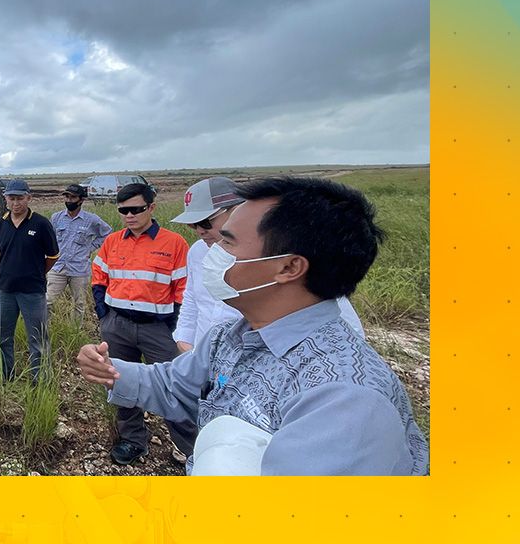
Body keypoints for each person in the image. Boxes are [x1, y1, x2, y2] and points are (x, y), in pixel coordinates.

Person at [77, 177, 428, 475]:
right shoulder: (232, 336)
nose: (212, 251)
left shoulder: (344, 401)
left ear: (289, 268)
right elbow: (173, 385)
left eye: (227, 242)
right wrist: (110, 371)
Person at [171, 177, 364, 353]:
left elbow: (337, 317)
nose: (199, 231)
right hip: (203, 359)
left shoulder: (272, 255)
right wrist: (184, 339)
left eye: (205, 222)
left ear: (238, 209)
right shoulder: (197, 252)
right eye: (192, 225)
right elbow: (192, 299)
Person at [91, 182, 198, 465]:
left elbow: (183, 290)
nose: (129, 215)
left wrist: (172, 328)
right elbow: (98, 278)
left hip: (157, 330)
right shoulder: (112, 242)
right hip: (117, 326)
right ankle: (133, 440)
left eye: (136, 209)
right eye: (124, 210)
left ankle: (189, 447)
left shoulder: (174, 244)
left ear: (151, 207)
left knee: (175, 386)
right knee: (120, 383)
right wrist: (105, 315)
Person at [0, 180, 59, 382]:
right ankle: (7, 376)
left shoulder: (41, 224)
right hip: (5, 290)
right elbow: (1, 252)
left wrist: (37, 272)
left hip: (32, 291)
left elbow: (53, 256)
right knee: (3, 337)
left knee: (38, 339)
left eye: (20, 198)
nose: (16, 203)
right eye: (11, 198)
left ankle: (38, 380)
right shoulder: (1, 224)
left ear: (29, 198)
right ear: (5, 200)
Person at [47, 183, 111, 327]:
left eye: (73, 197)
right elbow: (49, 238)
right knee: (47, 301)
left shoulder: (92, 219)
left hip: (79, 269)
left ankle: (75, 330)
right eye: (67, 197)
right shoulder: (56, 218)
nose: (69, 200)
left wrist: (91, 247)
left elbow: (107, 233)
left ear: (81, 200)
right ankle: (44, 329)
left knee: (79, 303)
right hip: (58, 268)